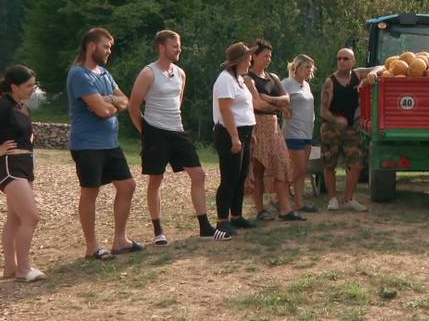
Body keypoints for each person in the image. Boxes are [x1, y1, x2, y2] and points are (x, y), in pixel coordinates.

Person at [129, 30, 230, 244]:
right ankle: (158, 231)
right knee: (156, 179)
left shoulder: (181, 73)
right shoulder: (148, 73)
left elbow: (178, 102)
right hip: (155, 131)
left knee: (199, 174)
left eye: (179, 45)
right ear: (162, 48)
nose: (179, 49)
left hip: (177, 130)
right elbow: (133, 106)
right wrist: (145, 132)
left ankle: (205, 227)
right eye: (174, 46)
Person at [67, 27, 142, 260]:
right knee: (91, 192)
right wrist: (108, 103)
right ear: (91, 46)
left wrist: (109, 100)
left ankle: (120, 240)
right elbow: (101, 111)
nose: (109, 51)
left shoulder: (104, 74)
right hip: (87, 144)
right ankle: (92, 247)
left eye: (110, 47)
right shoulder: (79, 74)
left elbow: (126, 101)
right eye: (106, 46)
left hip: (110, 143)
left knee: (127, 185)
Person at [0, 65, 46, 282]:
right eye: (29, 85)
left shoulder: (22, 107)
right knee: (31, 217)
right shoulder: (3, 104)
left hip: (24, 165)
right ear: (14, 86)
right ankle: (23, 269)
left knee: (15, 219)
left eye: (34, 85)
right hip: (9, 166)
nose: (33, 89)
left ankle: (11, 268)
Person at [244, 39, 306, 221]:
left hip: (273, 125)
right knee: (257, 168)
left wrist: (271, 101)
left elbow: (286, 99)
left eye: (270, 56)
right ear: (254, 56)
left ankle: (285, 209)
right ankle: (260, 209)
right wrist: (276, 104)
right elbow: (258, 104)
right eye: (265, 56)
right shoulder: (248, 79)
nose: (268, 59)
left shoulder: (273, 78)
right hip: (256, 124)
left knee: (282, 163)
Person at [320, 48, 382, 212]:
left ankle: (349, 198)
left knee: (356, 163)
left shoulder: (357, 74)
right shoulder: (330, 81)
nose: (342, 61)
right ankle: (333, 198)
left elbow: (381, 67)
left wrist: (373, 74)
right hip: (330, 127)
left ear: (353, 61)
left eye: (346, 58)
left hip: (350, 128)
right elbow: (323, 110)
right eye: (339, 58)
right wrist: (335, 119)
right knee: (329, 164)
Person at [213, 42, 259, 233]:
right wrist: (234, 137)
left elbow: (245, 108)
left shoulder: (239, 79)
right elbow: (226, 109)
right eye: (248, 57)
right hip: (230, 133)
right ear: (240, 60)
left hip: (245, 133)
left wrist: (251, 135)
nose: (250, 60)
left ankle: (237, 216)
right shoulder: (225, 79)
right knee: (229, 177)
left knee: (240, 176)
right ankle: (222, 220)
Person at [282, 54, 318, 213]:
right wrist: (284, 109)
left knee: (301, 170)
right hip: (293, 132)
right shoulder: (287, 83)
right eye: (306, 67)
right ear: (296, 68)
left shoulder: (307, 86)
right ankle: (279, 196)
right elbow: (278, 100)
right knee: (299, 168)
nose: (309, 70)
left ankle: (299, 203)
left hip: (307, 133)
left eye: (311, 67)